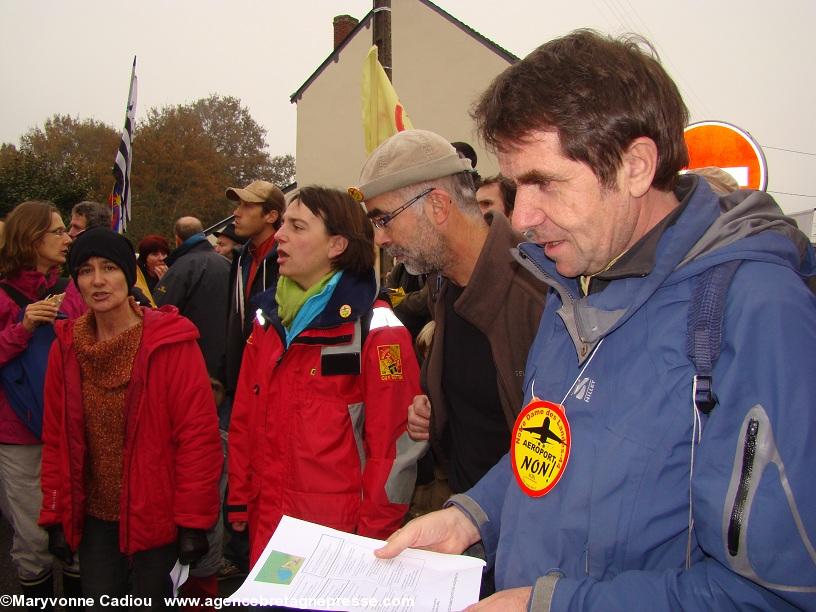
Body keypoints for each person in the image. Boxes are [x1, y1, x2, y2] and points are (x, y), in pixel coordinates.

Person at [375, 30, 816, 611]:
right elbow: (552, 452)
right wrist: (470, 516)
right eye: (514, 186)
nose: (523, 218)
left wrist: (552, 606)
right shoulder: (570, 285)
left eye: (546, 184)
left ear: (635, 166)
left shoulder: (756, 311)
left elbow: (775, 594)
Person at [227, 186, 423, 566]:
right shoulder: (267, 320)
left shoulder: (378, 331)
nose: (280, 235)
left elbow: (395, 449)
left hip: (336, 545)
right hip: (266, 531)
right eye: (282, 224)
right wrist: (239, 498)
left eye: (297, 227)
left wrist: (373, 541)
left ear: (337, 244)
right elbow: (244, 418)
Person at [352, 129, 547, 499]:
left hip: (521, 533)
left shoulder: (537, 294)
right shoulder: (443, 283)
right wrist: (435, 405)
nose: (380, 239)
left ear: (438, 206)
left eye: (384, 219)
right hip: (468, 518)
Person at [39, 227, 221, 607]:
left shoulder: (169, 344)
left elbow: (196, 438)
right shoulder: (67, 347)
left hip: (157, 516)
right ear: (76, 281)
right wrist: (55, 511)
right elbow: (57, 437)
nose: (99, 280)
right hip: (95, 518)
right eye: (86, 271)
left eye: (109, 268)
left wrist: (192, 519)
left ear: (128, 274)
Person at [0, 201, 83, 604]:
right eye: (58, 231)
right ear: (32, 238)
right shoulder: (2, 295)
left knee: (76, 531)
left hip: (69, 428)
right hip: (19, 435)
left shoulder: (70, 289)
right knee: (33, 539)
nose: (67, 238)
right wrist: (23, 327)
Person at [221, 179, 286, 577]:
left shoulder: (283, 257)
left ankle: (255, 560)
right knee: (239, 463)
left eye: (247, 206)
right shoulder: (245, 255)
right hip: (242, 376)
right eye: (237, 205)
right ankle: (245, 553)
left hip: (269, 378)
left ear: (271, 215)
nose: (237, 212)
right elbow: (236, 320)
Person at [155, 216, 230, 383]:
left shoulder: (180, 268)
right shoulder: (227, 264)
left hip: (192, 359)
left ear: (177, 239)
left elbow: (161, 312)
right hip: (226, 359)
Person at [135, 234, 170, 304]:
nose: (161, 258)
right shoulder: (135, 276)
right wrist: (162, 285)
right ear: (145, 258)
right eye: (155, 254)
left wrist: (168, 282)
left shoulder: (172, 272)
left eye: (163, 254)